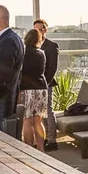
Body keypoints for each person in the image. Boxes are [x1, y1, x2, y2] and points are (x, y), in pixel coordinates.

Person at [18, 29, 51, 150]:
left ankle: (29, 149)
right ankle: (41, 148)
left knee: (27, 121)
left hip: (27, 89)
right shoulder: (42, 53)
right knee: (38, 120)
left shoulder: (22, 53)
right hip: (42, 88)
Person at [35, 18, 60, 148]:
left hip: (47, 83)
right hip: (35, 84)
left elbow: (53, 67)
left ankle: (52, 140)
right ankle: (43, 138)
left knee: (48, 111)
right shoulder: (34, 45)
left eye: (40, 29)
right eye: (35, 30)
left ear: (45, 30)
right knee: (40, 112)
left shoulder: (51, 45)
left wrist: (45, 83)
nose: (38, 32)